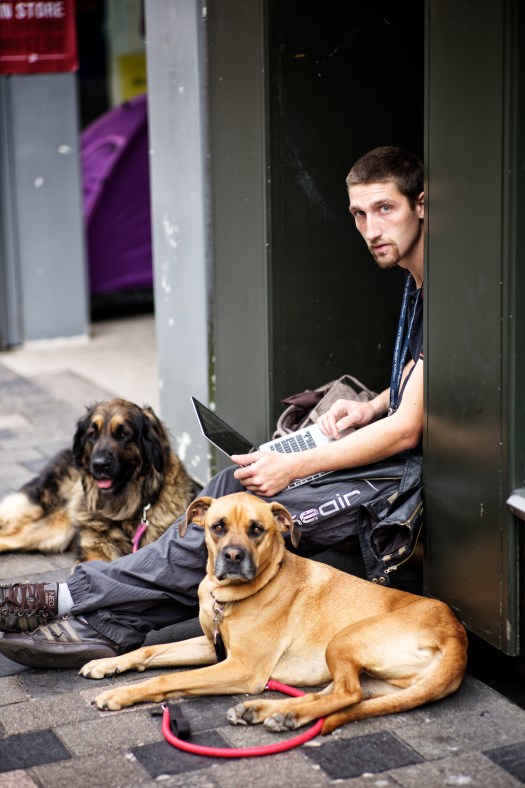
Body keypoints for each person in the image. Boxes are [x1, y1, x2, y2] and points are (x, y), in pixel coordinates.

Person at [0, 146, 425, 669]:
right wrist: (370, 407)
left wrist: (294, 464)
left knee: (240, 515)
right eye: (359, 214)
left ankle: (71, 601)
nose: (370, 228)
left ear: (420, 205)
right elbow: (416, 389)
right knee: (228, 488)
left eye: (385, 209)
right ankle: (109, 626)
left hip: (404, 487)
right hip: (387, 459)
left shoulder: (447, 292)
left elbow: (407, 432)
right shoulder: (415, 282)